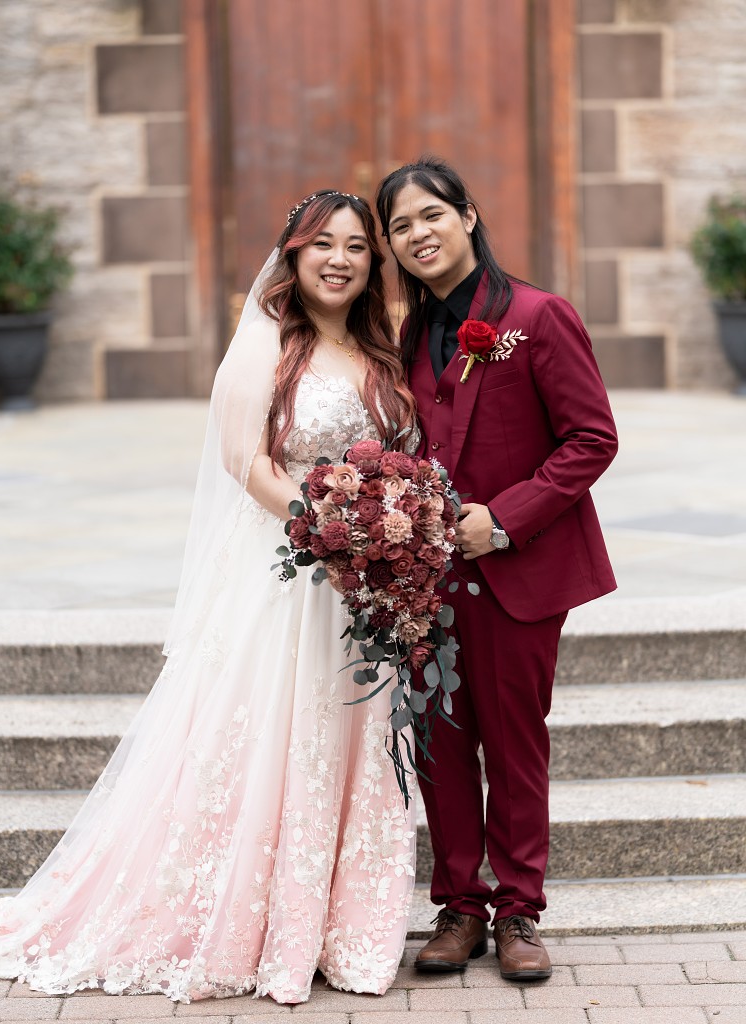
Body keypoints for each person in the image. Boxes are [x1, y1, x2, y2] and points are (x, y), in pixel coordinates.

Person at [0, 190, 419, 1005]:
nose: (341, 260)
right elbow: (243, 461)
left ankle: (334, 925)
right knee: (272, 744)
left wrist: (393, 535)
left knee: (347, 747)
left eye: (358, 248)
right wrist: (327, 530)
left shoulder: (380, 351)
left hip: (365, 598)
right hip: (290, 582)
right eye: (324, 244)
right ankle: (253, 920)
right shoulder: (265, 344)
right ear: (292, 253)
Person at [375, 158, 618, 981]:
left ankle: (519, 911)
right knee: (440, 744)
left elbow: (592, 439)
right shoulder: (408, 336)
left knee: (516, 746)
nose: (418, 235)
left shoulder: (540, 317)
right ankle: (459, 907)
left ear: (468, 216)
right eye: (400, 227)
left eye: (430, 216)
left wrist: (504, 520)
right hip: (426, 582)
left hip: (521, 574)